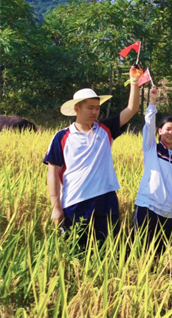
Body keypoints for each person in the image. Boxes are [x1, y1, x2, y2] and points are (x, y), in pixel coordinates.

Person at [44, 65, 143, 245]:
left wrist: (134, 82)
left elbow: (132, 108)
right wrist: (55, 207)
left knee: (108, 248)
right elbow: (52, 172)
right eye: (90, 108)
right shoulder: (62, 137)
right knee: (75, 250)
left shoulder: (105, 130)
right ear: (76, 109)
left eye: (97, 108)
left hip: (106, 200)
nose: (94, 112)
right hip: (75, 201)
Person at [133, 85, 172, 248]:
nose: (171, 133)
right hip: (147, 204)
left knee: (160, 250)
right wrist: (152, 102)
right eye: (167, 129)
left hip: (168, 210)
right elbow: (148, 125)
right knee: (140, 247)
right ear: (159, 131)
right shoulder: (152, 147)